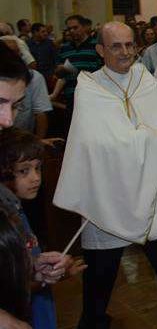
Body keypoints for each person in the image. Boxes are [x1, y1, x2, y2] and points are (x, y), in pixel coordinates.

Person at [52, 22, 157, 329]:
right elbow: (94, 144)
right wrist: (149, 141)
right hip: (109, 198)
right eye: (115, 46)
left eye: (129, 45)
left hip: (152, 195)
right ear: (100, 51)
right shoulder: (90, 87)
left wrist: (143, 141)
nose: (125, 52)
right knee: (98, 282)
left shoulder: (144, 79)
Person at [1, 129, 85, 329]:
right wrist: (57, 276)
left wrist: (43, 269)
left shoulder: (17, 210)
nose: (36, 178)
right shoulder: (7, 223)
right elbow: (12, 288)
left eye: (38, 168)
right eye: (24, 171)